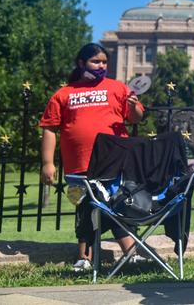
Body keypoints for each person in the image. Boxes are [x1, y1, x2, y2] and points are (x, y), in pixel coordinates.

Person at [39, 42, 145, 272]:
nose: (101, 66)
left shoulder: (117, 88)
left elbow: (135, 118)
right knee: (86, 209)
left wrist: (134, 106)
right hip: (80, 165)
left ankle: (131, 255)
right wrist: (48, 163)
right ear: (81, 63)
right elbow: (49, 128)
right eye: (95, 61)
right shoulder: (64, 94)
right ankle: (85, 258)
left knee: (116, 206)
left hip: (115, 163)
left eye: (104, 62)